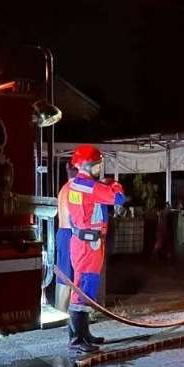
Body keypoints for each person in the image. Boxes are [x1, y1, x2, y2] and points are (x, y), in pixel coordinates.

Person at [64, 144, 126, 354]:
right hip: (88, 245)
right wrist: (115, 184)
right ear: (88, 165)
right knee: (83, 290)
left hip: (84, 243)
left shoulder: (77, 184)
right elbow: (118, 198)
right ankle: (76, 339)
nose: (100, 169)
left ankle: (83, 334)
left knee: (85, 289)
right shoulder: (89, 186)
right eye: (98, 165)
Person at [54, 164, 77, 313]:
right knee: (68, 275)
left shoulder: (63, 189)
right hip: (70, 233)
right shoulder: (74, 190)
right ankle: (64, 311)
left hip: (62, 232)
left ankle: (61, 308)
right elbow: (74, 214)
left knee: (63, 273)